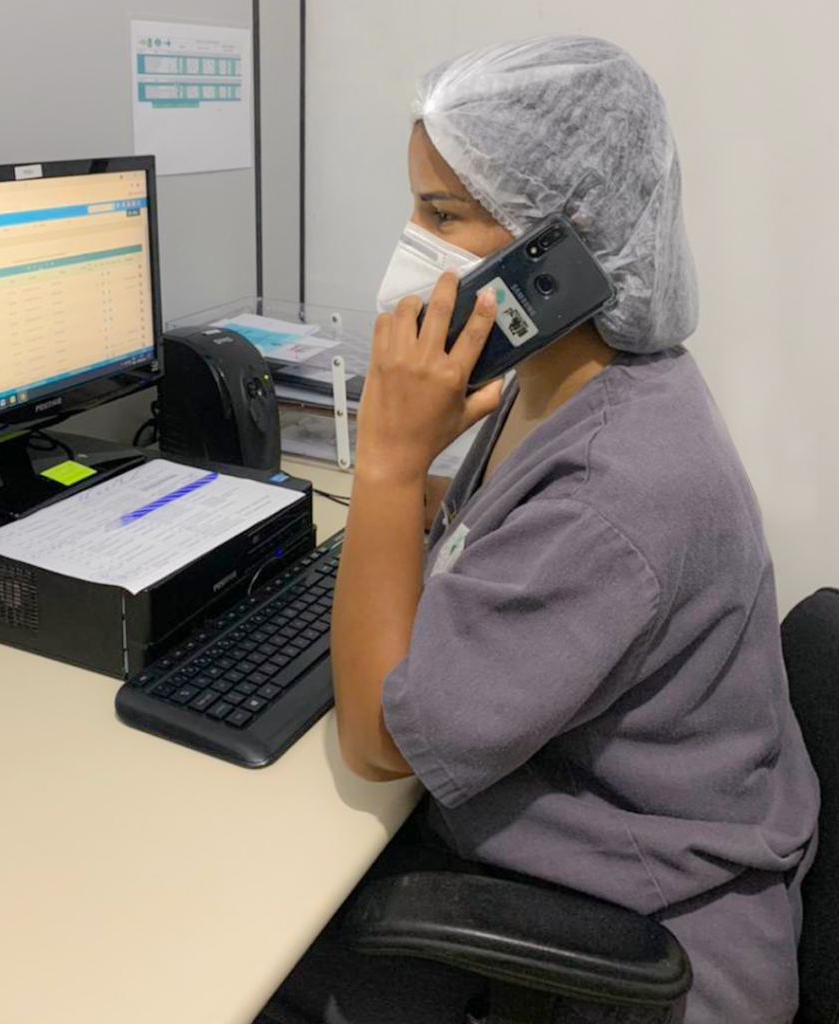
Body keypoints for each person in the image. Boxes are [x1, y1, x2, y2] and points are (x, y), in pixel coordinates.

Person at [256, 35, 819, 1024]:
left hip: (641, 954)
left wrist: (385, 463)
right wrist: (415, 484)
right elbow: (492, 528)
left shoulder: (618, 485)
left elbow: (379, 741)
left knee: (244, 966)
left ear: (563, 244)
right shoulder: (564, 381)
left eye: (441, 214)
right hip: (590, 862)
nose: (411, 244)